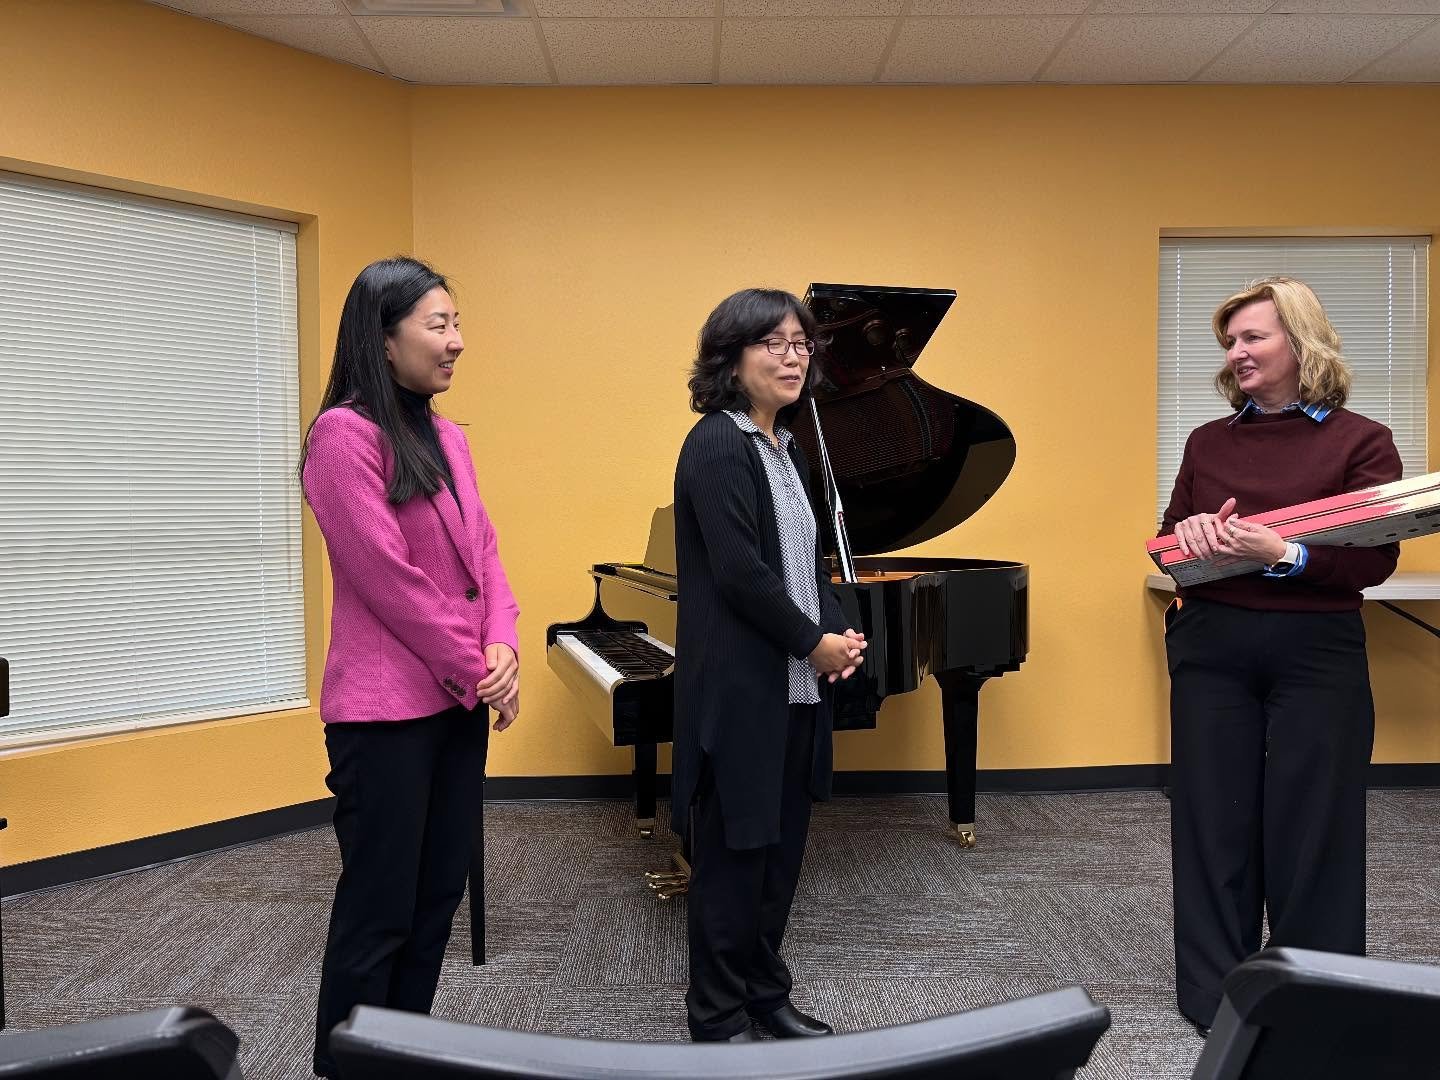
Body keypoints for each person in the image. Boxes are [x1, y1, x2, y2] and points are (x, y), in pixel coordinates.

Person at [1160, 276, 1401, 1037]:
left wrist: (1284, 552)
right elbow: (1169, 544)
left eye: (1252, 338)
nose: (1237, 354)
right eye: (1230, 342)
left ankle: (1312, 997)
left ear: (1301, 344)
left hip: (1316, 653)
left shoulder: (1362, 441)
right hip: (1212, 648)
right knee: (1212, 824)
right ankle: (1215, 999)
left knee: (1314, 827)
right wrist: (1189, 540)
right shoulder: (1207, 441)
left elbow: (1375, 560)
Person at [300, 257, 520, 1079]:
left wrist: (503, 644)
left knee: (437, 902)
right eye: (439, 325)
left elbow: (485, 558)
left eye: (457, 324)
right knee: (379, 910)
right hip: (384, 715)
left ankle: (405, 1056)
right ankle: (348, 1065)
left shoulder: (450, 437)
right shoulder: (342, 437)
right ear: (383, 339)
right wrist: (479, 666)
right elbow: (390, 580)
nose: (456, 342)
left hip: (455, 704)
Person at [672, 287, 867, 1043]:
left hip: (790, 691)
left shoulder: (784, 446)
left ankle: (763, 993)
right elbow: (742, 574)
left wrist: (839, 631)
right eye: (772, 342)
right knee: (732, 860)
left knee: (779, 853)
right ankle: (717, 1017)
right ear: (730, 358)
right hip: (741, 691)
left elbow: (803, 567)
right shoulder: (719, 444)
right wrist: (809, 643)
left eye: (801, 343)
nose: (793, 356)